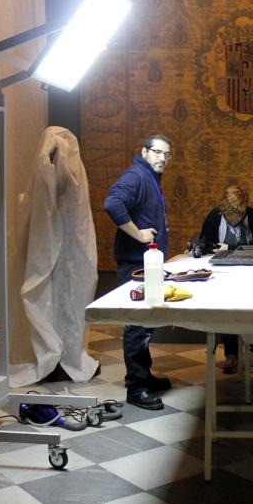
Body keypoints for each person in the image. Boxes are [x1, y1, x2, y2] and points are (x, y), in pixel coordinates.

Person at [104, 133, 173, 409]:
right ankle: (136, 387)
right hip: (135, 264)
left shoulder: (149, 177)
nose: (163, 159)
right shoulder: (136, 175)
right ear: (144, 152)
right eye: (158, 152)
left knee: (145, 324)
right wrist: (139, 235)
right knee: (136, 325)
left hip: (146, 264)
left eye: (167, 155)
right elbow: (112, 203)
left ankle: (143, 375)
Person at [197, 183, 253, 374]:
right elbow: (204, 242)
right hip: (222, 274)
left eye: (238, 216)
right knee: (226, 312)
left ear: (245, 209)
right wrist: (198, 246)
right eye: (229, 216)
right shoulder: (215, 216)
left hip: (251, 273)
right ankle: (232, 355)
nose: (233, 220)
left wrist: (229, 249)